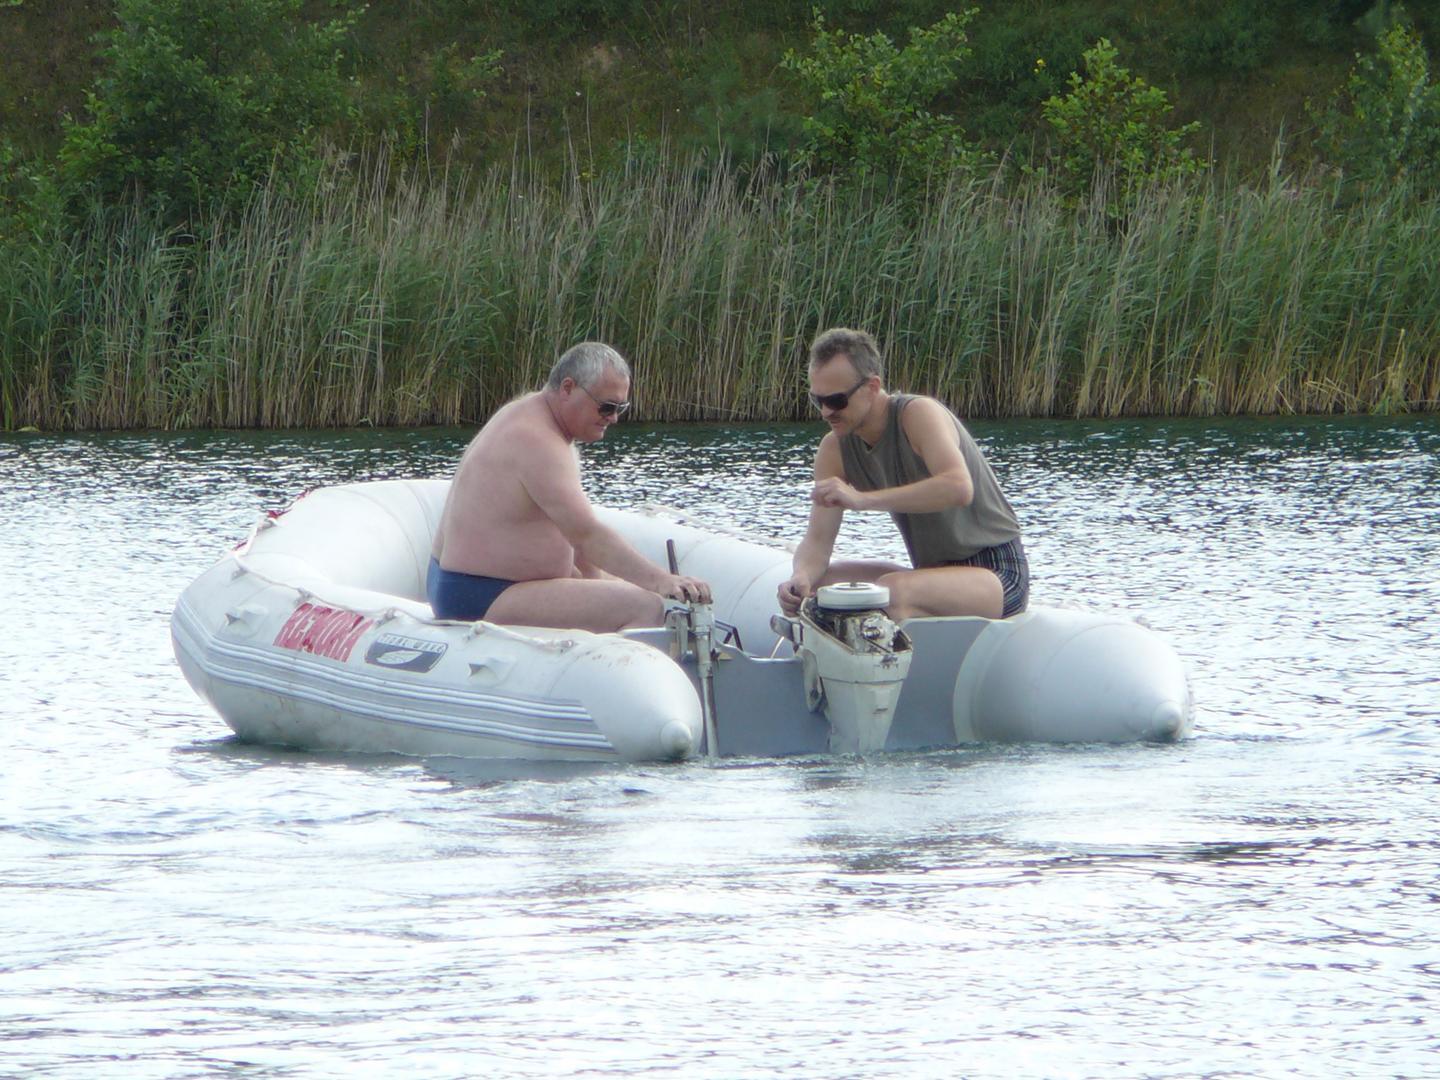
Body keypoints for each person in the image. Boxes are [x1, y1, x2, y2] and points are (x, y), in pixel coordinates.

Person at [428, 341, 711, 632]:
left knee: (631, 590)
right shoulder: (536, 440)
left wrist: (608, 582)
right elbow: (586, 535)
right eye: (606, 406)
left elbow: (572, 537)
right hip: (479, 595)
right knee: (646, 606)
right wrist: (661, 581)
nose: (613, 418)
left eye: (620, 408)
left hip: (479, 585)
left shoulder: (531, 415)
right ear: (567, 388)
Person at [778, 327, 1028, 622]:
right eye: (817, 400)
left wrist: (862, 500)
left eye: (836, 401)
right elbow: (818, 542)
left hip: (997, 573)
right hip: (933, 573)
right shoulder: (833, 449)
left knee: (892, 590)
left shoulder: (918, 414)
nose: (825, 412)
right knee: (821, 585)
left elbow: (958, 487)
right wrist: (801, 576)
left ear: (872, 387)